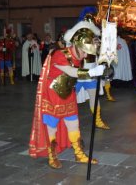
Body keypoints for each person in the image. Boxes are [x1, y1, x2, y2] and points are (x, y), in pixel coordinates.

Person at [29, 20, 105, 169]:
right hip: (53, 94)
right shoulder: (59, 54)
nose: (85, 56)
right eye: (84, 51)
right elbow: (70, 71)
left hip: (68, 92)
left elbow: (74, 73)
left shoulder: (79, 56)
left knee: (73, 123)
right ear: (77, 45)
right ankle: (52, 156)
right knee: (52, 126)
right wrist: (90, 72)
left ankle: (79, 153)